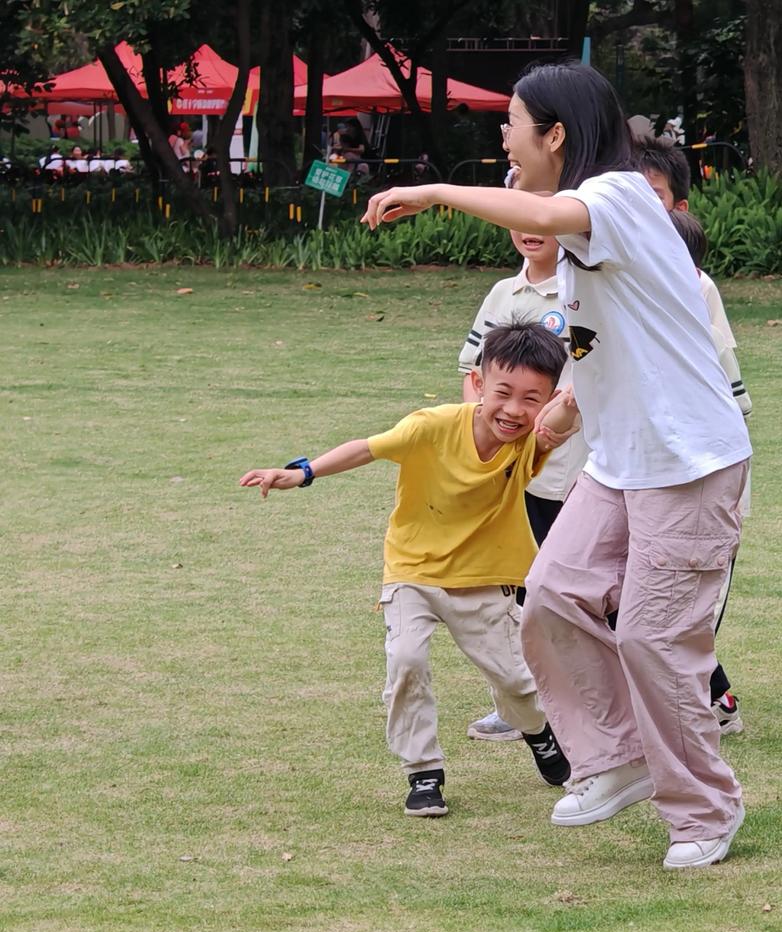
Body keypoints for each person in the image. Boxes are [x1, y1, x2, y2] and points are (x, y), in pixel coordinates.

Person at [361, 60, 752, 870]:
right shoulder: (580, 244)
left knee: (654, 636)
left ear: (556, 135)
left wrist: (434, 193)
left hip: (690, 462)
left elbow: (545, 209)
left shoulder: (614, 198)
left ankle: (705, 809)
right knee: (550, 595)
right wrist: (561, 407)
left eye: (511, 123)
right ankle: (616, 759)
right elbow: (602, 339)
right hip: (619, 461)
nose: (503, 137)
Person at [239, 323, 581, 817]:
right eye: (503, 392)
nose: (513, 410)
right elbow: (369, 447)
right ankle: (423, 772)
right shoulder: (432, 425)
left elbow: (560, 424)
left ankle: (539, 735)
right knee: (406, 662)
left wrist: (576, 393)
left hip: (486, 577)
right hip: (413, 570)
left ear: (547, 399)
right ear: (479, 384)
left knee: (515, 682)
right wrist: (302, 472)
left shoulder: (529, 442)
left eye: (532, 398)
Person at [633, 133, 751, 735]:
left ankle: (708, 699)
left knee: (678, 599)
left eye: (653, 197)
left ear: (680, 208)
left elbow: (728, 392)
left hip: (699, 466)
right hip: (631, 465)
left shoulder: (693, 285)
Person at [456, 226, 589, 742]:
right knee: (511, 591)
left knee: (573, 593)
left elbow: (591, 377)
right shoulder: (503, 294)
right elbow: (472, 377)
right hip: (510, 478)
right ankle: (520, 703)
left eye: (542, 214)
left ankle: (587, 705)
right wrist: (476, 451)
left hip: (573, 471)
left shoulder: (582, 292)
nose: (530, 230)